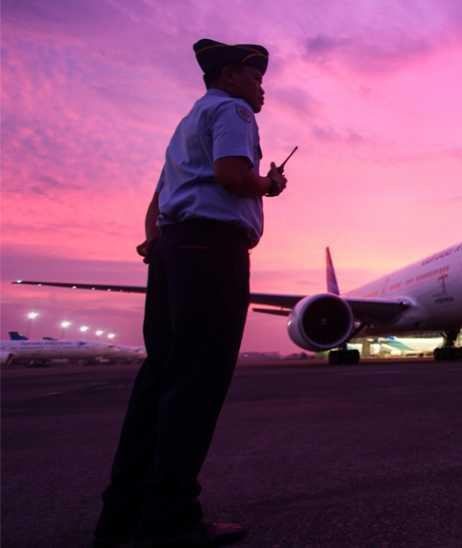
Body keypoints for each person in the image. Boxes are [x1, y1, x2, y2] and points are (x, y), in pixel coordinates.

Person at [93, 38, 287, 548]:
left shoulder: (184, 128)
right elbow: (229, 175)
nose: (262, 88)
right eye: (256, 77)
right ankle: (172, 519)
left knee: (158, 380)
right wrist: (267, 184)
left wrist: (159, 247)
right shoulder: (234, 112)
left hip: (173, 253)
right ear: (229, 77)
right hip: (212, 252)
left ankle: (124, 512)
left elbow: (156, 204)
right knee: (197, 385)